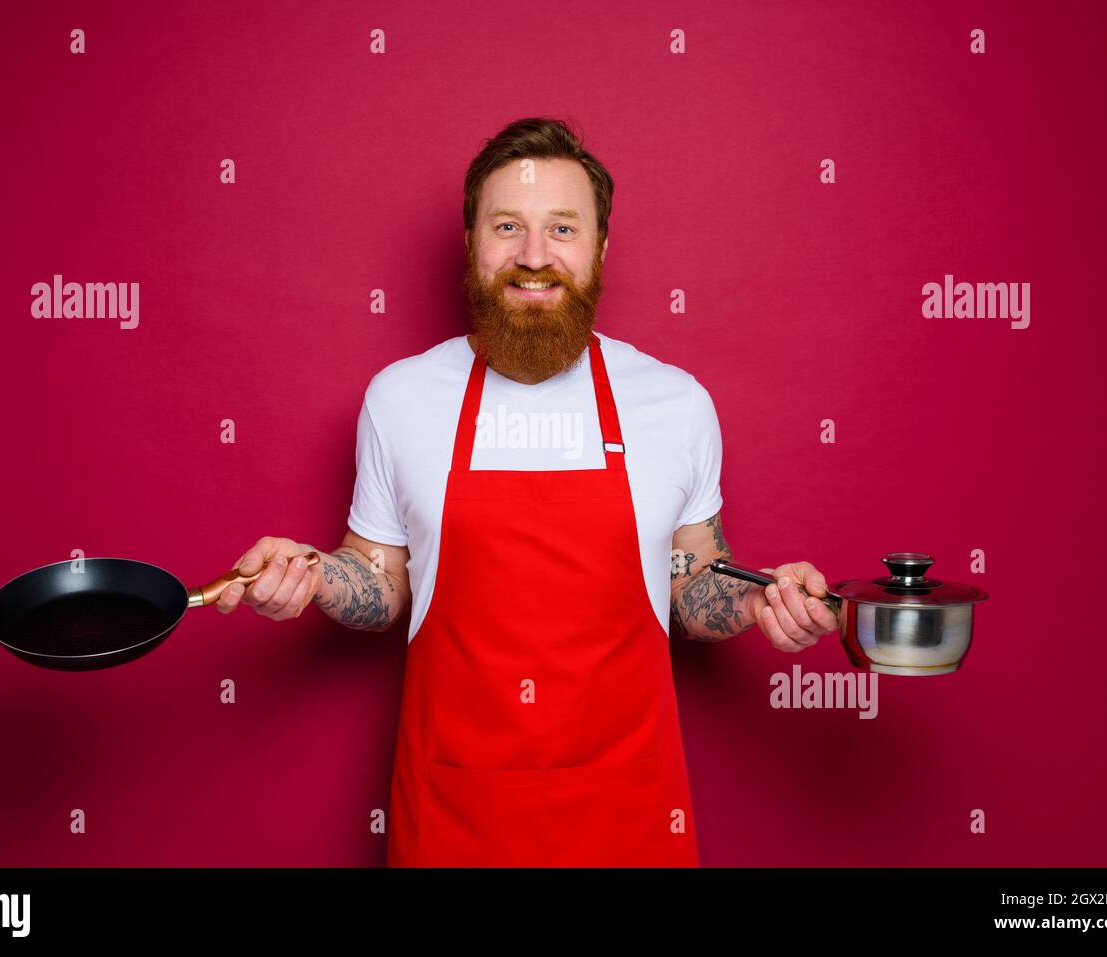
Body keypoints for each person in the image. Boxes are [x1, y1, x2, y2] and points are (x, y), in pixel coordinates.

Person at [217, 117, 837, 867]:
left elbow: (690, 579)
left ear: (601, 247)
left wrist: (757, 598)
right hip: (456, 816)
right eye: (508, 225)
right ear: (473, 241)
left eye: (563, 228)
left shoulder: (675, 403)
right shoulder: (403, 397)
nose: (534, 257)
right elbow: (380, 581)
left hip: (630, 817)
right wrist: (312, 574)